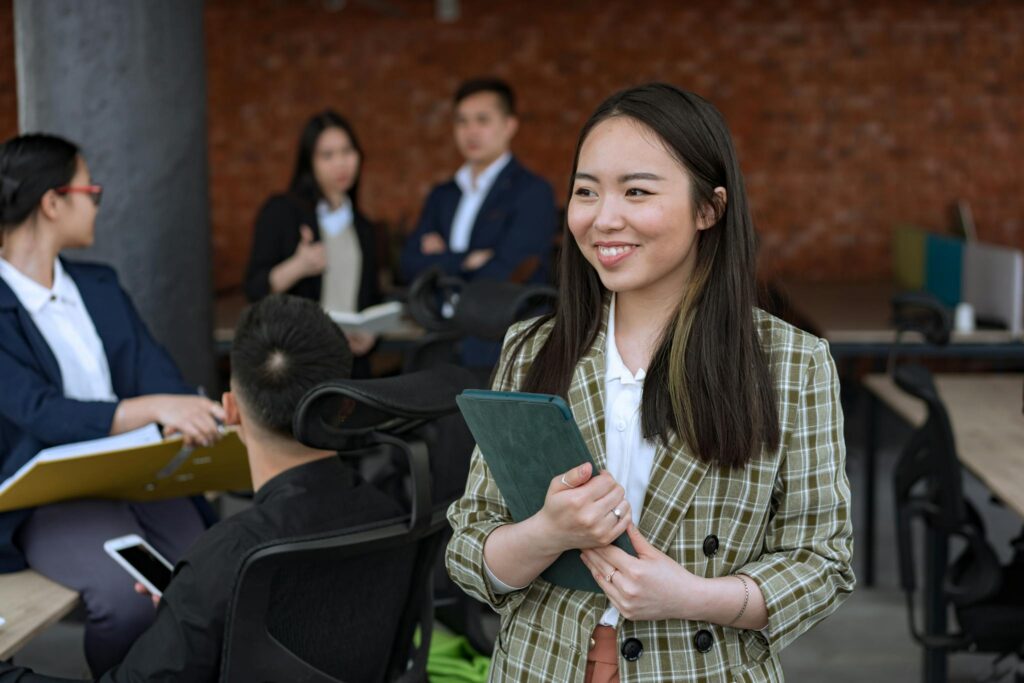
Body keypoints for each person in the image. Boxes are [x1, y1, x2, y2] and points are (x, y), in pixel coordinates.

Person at [446, 83, 855, 682]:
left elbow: (823, 563)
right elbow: (467, 549)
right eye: (586, 191)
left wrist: (691, 596)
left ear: (708, 208)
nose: (604, 218)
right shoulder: (533, 348)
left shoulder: (792, 362)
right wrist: (545, 533)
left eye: (636, 191)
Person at [0, 294, 403, 682]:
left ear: (230, 411)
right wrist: (191, 618)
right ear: (344, 405)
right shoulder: (395, 514)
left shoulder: (225, 558)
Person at [0, 134, 224, 675]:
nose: (97, 202)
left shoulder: (98, 286)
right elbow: (39, 411)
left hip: (136, 476)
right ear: (53, 202)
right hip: (50, 497)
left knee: (214, 578)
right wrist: (150, 410)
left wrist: (185, 409)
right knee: (127, 603)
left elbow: (157, 374)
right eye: (90, 190)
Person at [399, 77, 558, 367]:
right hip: (438, 336)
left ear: (510, 125)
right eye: (462, 121)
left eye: (482, 120)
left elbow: (509, 272)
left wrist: (442, 260)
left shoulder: (533, 192)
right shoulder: (442, 195)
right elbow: (409, 263)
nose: (470, 131)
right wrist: (464, 260)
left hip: (497, 344)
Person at [243, 110, 381, 370]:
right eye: (327, 155)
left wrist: (371, 334)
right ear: (310, 163)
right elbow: (254, 288)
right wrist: (298, 266)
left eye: (347, 152)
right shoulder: (282, 212)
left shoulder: (363, 227)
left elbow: (371, 300)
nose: (341, 163)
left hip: (352, 365)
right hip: (297, 366)